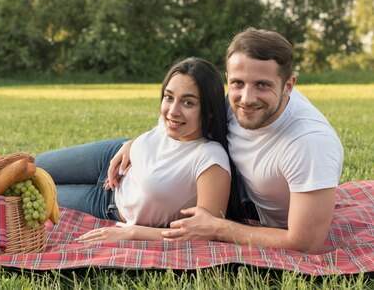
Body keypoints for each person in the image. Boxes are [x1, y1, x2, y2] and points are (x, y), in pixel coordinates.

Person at [111, 28, 344, 253]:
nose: (247, 98)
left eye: (262, 85)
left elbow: (305, 243)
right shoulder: (236, 104)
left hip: (168, 184)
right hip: (141, 158)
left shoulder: (310, 144)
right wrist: (135, 143)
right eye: (238, 83)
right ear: (228, 79)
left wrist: (218, 227)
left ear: (289, 85)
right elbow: (181, 118)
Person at [35, 57, 244, 242]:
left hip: (106, 204)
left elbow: (205, 232)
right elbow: (160, 142)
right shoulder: (173, 123)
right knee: (30, 167)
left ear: (208, 111)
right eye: (169, 97)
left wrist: (132, 233)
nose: (173, 111)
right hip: (108, 157)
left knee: (31, 193)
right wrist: (131, 144)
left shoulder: (210, 159)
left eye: (188, 103)